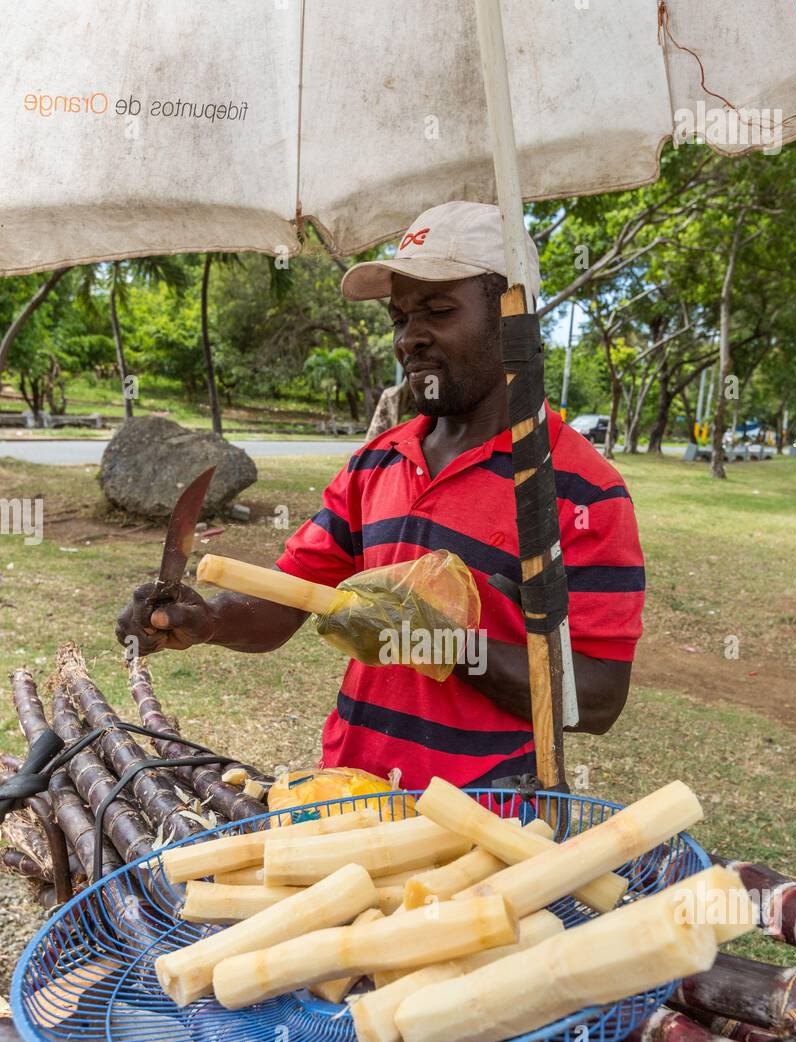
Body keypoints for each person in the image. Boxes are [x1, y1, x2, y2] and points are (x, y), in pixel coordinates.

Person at [116, 202, 645, 790]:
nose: (410, 339)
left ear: (512, 317)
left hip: (485, 822)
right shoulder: (377, 462)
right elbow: (292, 601)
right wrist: (207, 619)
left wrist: (445, 644)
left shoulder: (580, 490)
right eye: (399, 319)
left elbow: (597, 698)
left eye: (438, 311)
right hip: (349, 792)